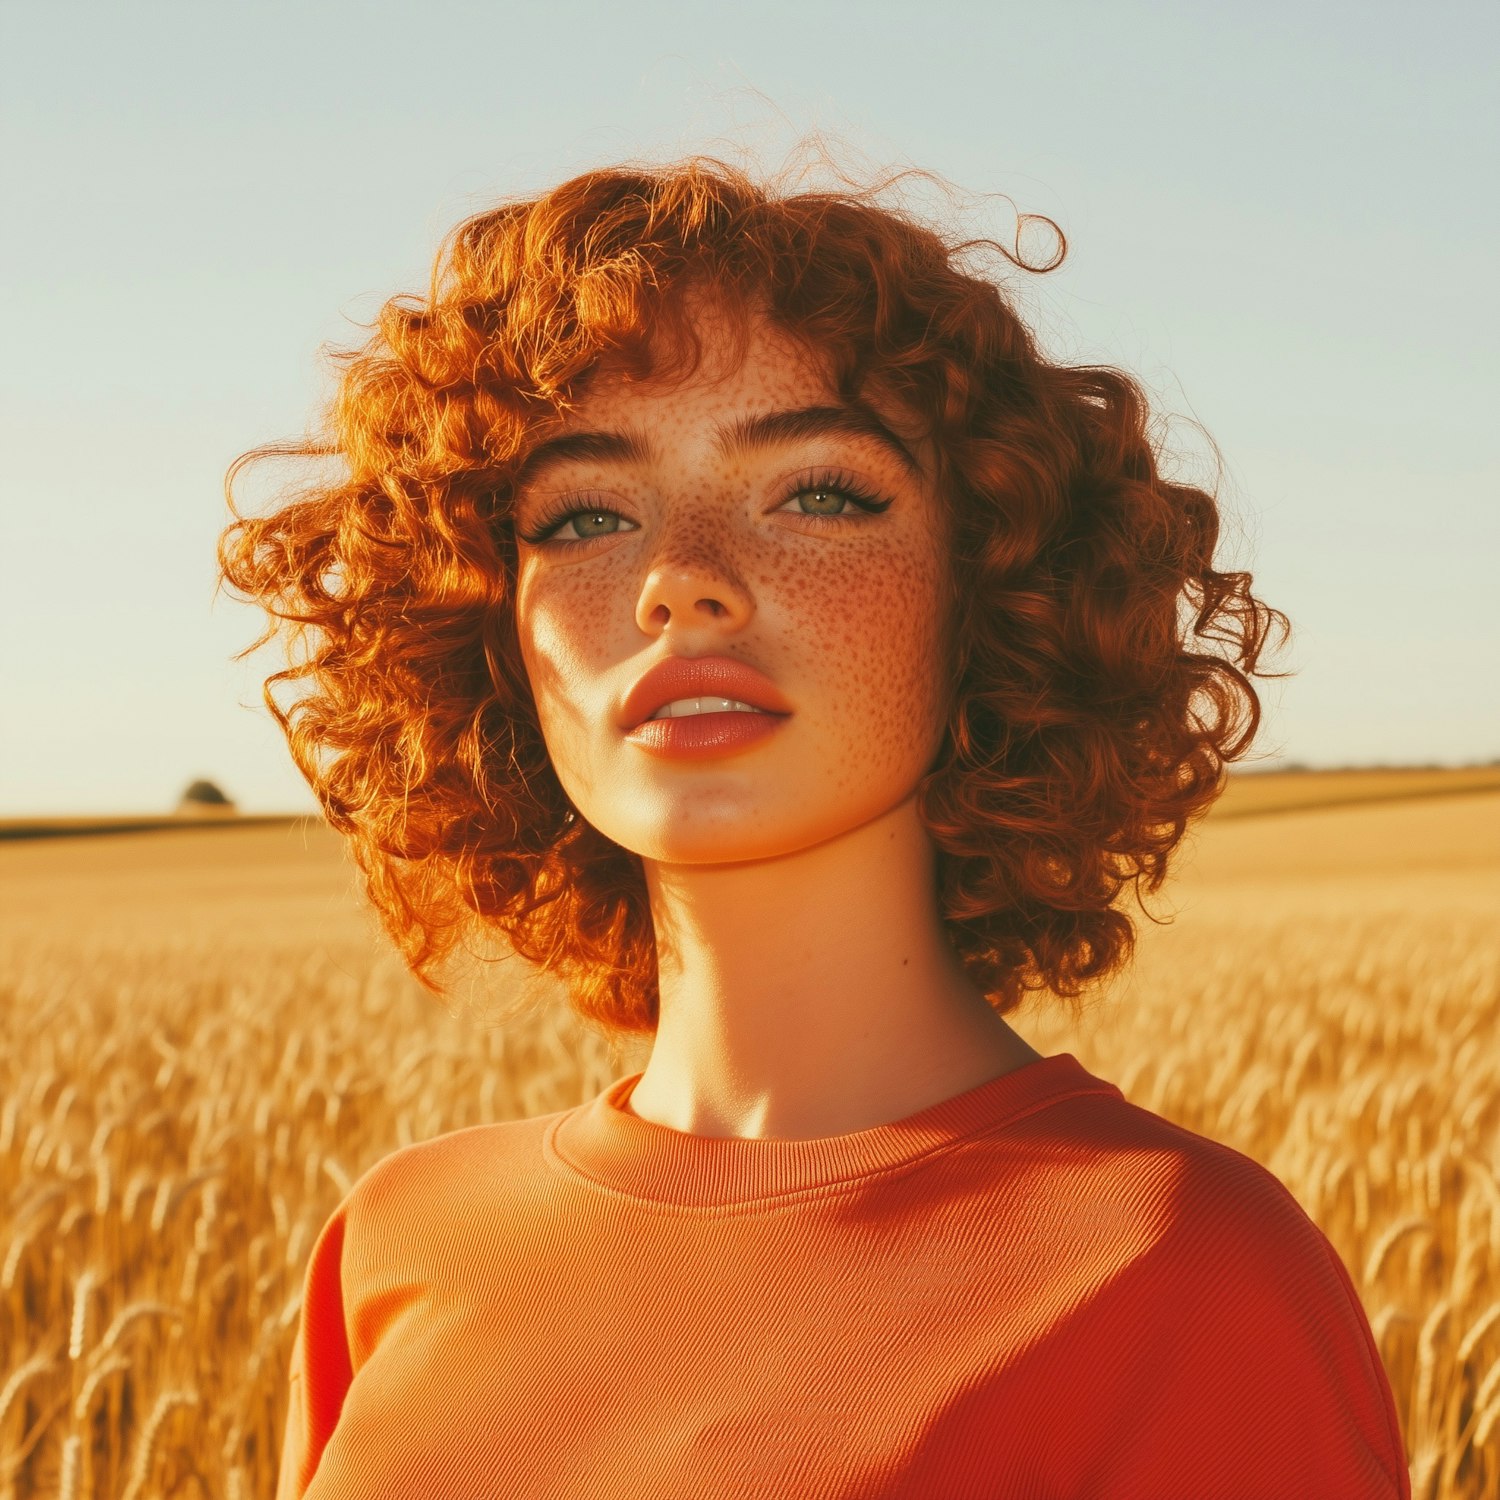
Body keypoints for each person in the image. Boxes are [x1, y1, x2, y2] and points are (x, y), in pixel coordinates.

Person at [219, 155, 1410, 1498]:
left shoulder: (1172, 1268)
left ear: (994, 584)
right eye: (586, 515)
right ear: (488, 626)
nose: (680, 582)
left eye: (820, 494)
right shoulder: (394, 1244)